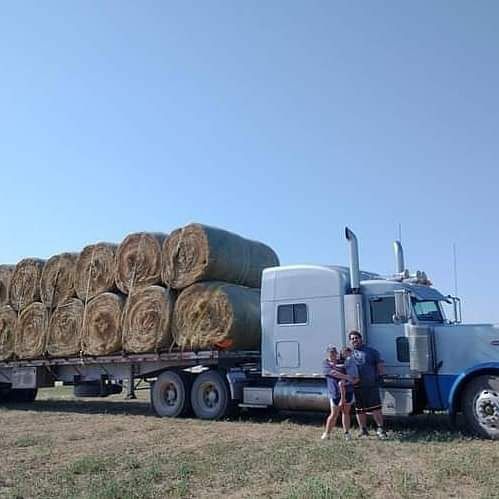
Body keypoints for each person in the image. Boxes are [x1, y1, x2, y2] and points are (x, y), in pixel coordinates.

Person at [348, 330, 387, 439]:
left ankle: (381, 429)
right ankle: (363, 430)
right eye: (352, 339)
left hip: (371, 384)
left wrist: (380, 377)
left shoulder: (371, 352)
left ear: (361, 339)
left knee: (376, 409)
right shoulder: (349, 354)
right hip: (356, 386)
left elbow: (380, 364)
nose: (355, 340)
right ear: (350, 341)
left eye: (356, 338)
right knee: (360, 410)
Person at [321, 344, 359, 441]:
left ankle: (347, 433)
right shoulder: (325, 363)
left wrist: (353, 379)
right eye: (330, 352)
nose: (333, 354)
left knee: (346, 412)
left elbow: (351, 371)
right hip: (335, 393)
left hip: (348, 391)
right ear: (327, 354)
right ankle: (327, 433)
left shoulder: (342, 362)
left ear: (337, 353)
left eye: (334, 352)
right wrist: (347, 377)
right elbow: (333, 373)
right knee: (334, 414)